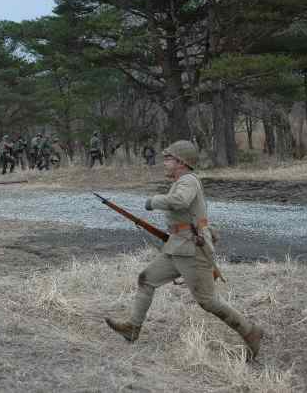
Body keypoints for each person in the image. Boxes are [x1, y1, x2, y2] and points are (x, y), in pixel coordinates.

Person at [104, 140, 264, 360]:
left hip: (192, 249)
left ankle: (250, 331)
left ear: (181, 162)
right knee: (146, 279)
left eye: (168, 158)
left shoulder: (188, 180)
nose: (164, 162)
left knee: (208, 301)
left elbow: (180, 201)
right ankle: (132, 328)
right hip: (178, 246)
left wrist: (153, 201)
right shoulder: (181, 181)